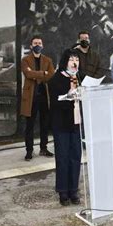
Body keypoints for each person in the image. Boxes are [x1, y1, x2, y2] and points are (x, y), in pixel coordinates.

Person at [48, 49, 83, 206]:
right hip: (61, 124)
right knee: (63, 157)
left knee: (75, 156)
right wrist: (68, 96)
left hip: (76, 123)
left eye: (77, 59)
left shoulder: (79, 77)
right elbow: (54, 104)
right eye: (71, 59)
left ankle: (74, 190)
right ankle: (63, 191)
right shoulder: (56, 79)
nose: (75, 62)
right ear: (65, 62)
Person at [21, 36, 55, 161]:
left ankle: (43, 148)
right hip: (31, 98)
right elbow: (27, 73)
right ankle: (29, 151)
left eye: (39, 43)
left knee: (44, 124)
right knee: (29, 125)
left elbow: (51, 75)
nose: (37, 45)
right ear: (31, 46)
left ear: (43, 45)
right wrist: (43, 73)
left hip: (44, 97)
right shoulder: (25, 60)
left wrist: (37, 74)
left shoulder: (48, 60)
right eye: (35, 43)